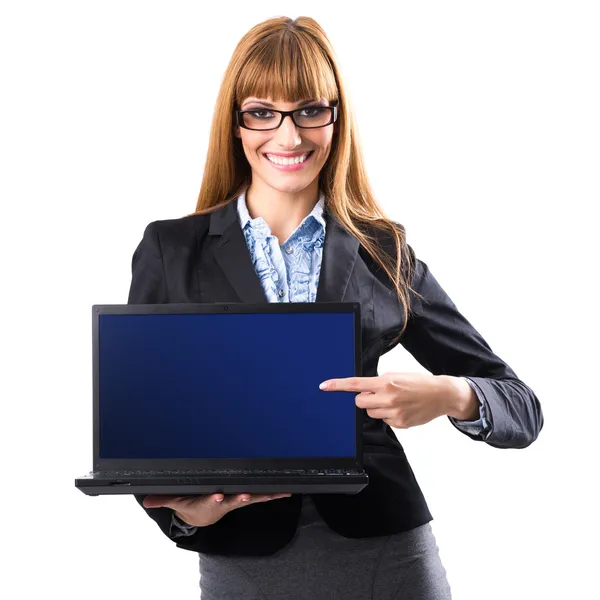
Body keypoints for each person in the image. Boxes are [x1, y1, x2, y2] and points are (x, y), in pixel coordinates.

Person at [127, 15, 544, 600]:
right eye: (262, 111)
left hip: (386, 552)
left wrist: (446, 394)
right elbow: (145, 432)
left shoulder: (382, 250)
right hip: (242, 558)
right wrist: (189, 516)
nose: (289, 137)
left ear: (335, 119)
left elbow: (522, 409)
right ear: (236, 124)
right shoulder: (172, 250)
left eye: (309, 110)